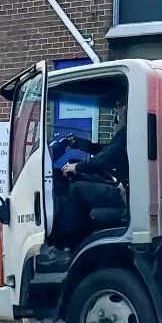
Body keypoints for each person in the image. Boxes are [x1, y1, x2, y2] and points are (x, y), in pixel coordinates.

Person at [42, 102, 130, 264]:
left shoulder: (127, 132)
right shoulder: (129, 133)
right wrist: (82, 144)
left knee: (76, 190)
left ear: (125, 108)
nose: (115, 111)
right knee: (80, 183)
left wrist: (78, 167)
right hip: (127, 189)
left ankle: (66, 246)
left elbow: (104, 158)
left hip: (126, 194)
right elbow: (107, 151)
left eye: (117, 106)